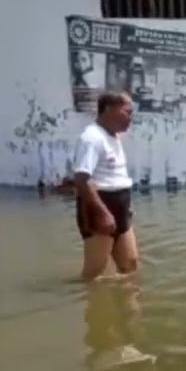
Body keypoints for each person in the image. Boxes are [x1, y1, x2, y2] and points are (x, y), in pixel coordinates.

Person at [73, 91, 139, 281]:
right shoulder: (92, 138)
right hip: (100, 206)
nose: (130, 118)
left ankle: (124, 306)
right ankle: (90, 305)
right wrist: (102, 212)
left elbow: (114, 176)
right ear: (108, 110)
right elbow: (82, 179)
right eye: (127, 112)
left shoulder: (113, 136)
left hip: (120, 206)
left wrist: (126, 207)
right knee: (94, 273)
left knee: (130, 264)